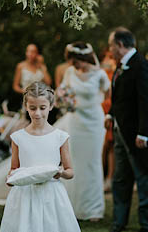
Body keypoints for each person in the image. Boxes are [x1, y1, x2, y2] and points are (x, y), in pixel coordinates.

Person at [0, 81, 80, 232]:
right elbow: (14, 169)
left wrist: (60, 172)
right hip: (25, 195)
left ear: (50, 106)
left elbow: (70, 171)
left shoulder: (60, 137)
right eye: (32, 108)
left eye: (42, 108)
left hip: (51, 195)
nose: (37, 113)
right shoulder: (18, 137)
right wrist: (11, 178)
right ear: (26, 107)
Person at [106, 27, 148, 232]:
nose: (110, 50)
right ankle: (119, 223)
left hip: (138, 135)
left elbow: (147, 102)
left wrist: (143, 133)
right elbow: (120, 97)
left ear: (120, 44)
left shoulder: (142, 65)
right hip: (121, 133)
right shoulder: (121, 66)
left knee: (145, 178)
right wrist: (110, 114)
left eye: (111, 46)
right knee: (121, 179)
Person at [51, 41, 111, 222]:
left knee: (92, 163)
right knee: (74, 163)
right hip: (75, 122)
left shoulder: (100, 74)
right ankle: (73, 207)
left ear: (83, 58)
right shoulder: (70, 73)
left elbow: (108, 96)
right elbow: (62, 91)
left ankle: (93, 209)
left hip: (94, 122)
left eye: (75, 61)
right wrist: (63, 100)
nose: (73, 65)